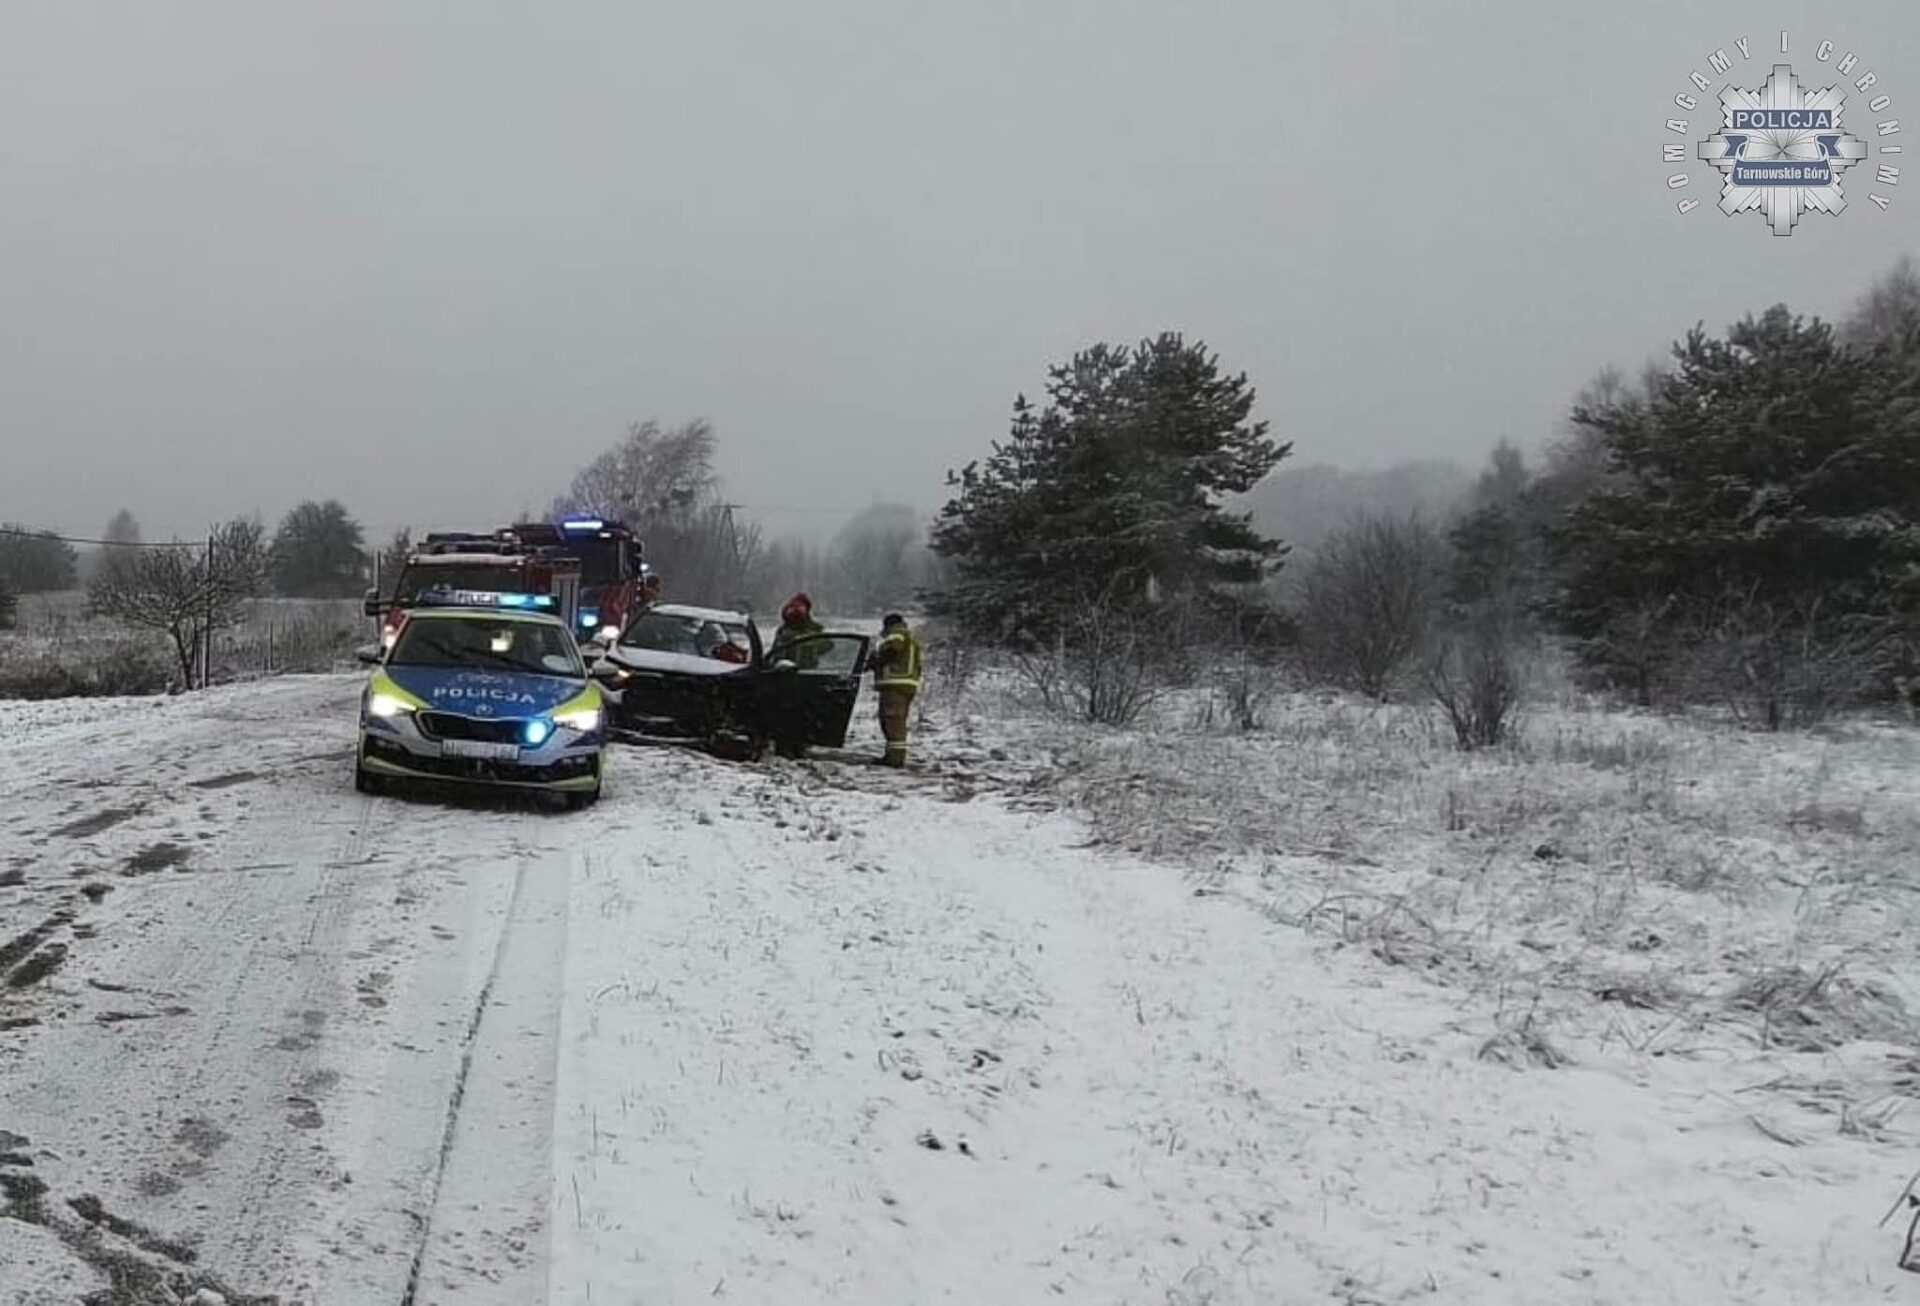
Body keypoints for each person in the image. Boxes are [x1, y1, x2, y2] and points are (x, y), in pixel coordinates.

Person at [869, 612, 924, 768]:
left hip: (895, 685)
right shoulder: (912, 638)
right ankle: (892, 755)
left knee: (893, 721)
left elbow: (893, 649)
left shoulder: (897, 633)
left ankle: (895, 760)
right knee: (896, 721)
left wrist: (877, 658)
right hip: (907, 685)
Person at [768, 592, 824, 670]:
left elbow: (827, 649)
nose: (795, 610)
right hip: (784, 674)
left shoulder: (815, 630)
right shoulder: (782, 631)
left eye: (800, 606)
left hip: (809, 674)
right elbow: (775, 654)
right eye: (793, 607)